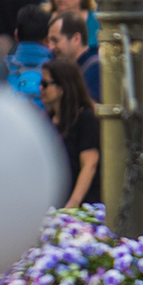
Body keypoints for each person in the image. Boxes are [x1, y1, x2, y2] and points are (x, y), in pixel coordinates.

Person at [40, 56, 101, 211]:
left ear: (62, 88)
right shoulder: (46, 121)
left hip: (81, 209)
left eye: (45, 84)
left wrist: (71, 206)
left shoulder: (85, 119)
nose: (40, 88)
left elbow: (89, 164)